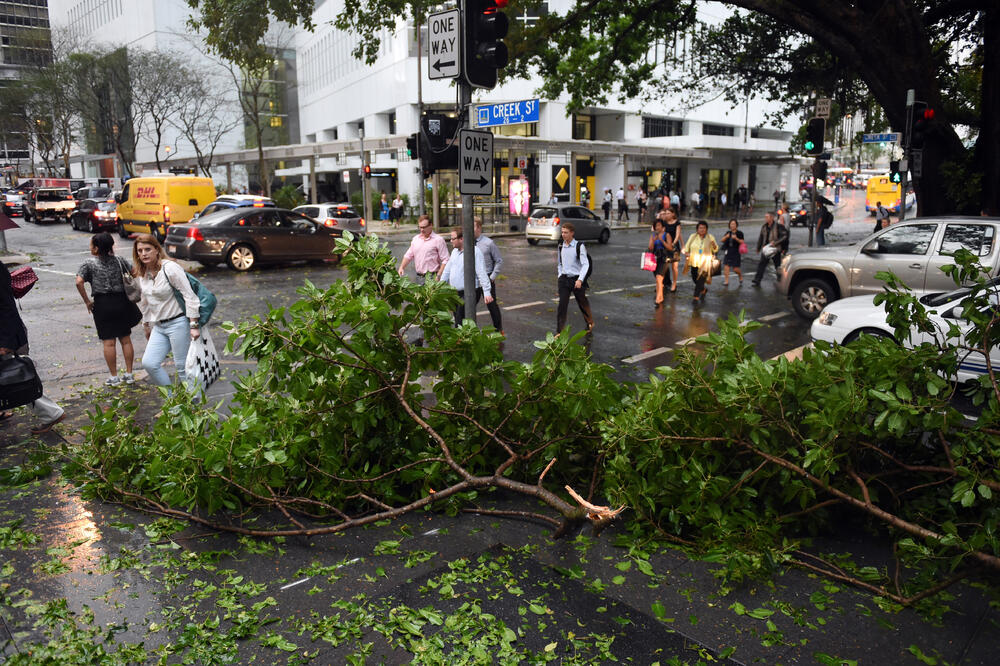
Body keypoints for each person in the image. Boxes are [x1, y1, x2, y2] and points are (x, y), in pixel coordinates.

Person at [0, 260, 65, 433]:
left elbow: (5, 305)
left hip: (3, 335)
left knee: (16, 378)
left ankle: (51, 413)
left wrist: (5, 342)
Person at [133, 234, 202, 386]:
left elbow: (189, 295)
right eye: (140, 251)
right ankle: (171, 397)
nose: (143, 254)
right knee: (149, 363)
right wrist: (146, 324)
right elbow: (145, 301)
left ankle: (195, 400)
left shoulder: (170, 268)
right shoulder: (144, 272)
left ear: (157, 250)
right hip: (159, 326)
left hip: (178, 323)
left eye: (147, 249)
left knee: (183, 367)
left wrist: (194, 325)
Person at [75, 232, 142, 386]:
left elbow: (79, 282)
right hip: (122, 302)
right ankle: (129, 374)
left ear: (96, 248)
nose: (90, 247)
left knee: (109, 342)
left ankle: (114, 377)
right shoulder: (119, 260)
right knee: (125, 340)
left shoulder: (88, 264)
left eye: (92, 245)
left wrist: (87, 301)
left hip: (102, 304)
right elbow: (135, 272)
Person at [440, 227, 493, 327]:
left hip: (469, 293)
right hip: (455, 293)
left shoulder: (474, 251)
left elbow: (481, 272)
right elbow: (447, 270)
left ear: (461, 239)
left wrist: (486, 292)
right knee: (459, 319)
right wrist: (440, 285)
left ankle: (463, 337)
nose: (451, 241)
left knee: (460, 321)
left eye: (453, 238)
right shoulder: (454, 252)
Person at [556, 222, 594, 333]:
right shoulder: (560, 245)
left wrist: (580, 280)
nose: (563, 235)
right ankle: (559, 331)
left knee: (582, 302)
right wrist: (560, 275)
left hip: (576, 279)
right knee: (562, 305)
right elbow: (559, 263)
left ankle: (590, 322)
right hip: (564, 279)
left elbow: (585, 264)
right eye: (562, 232)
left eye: (566, 233)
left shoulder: (579, 246)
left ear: (572, 233)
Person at [398, 215, 449, 284]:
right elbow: (408, 255)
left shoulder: (438, 240)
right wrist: (402, 267)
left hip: (432, 277)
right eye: (420, 227)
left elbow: (446, 259)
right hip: (418, 276)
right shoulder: (416, 239)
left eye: (424, 227)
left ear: (431, 225)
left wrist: (439, 275)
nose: (422, 230)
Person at [474, 217, 504, 334]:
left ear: (479, 228)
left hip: (487, 277)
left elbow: (499, 260)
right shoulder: (467, 242)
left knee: (492, 305)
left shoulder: (488, 243)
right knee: (469, 305)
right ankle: (469, 332)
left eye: (473, 226)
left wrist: (492, 277)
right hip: (473, 278)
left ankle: (498, 330)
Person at [682, 221, 718, 305]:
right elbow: (687, 247)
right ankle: (703, 289)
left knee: (701, 279)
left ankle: (696, 297)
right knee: (695, 278)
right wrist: (686, 253)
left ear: (706, 229)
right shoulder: (693, 236)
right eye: (700, 228)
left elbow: (715, 249)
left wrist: (714, 245)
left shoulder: (710, 237)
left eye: (704, 228)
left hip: (705, 262)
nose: (702, 230)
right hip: (694, 261)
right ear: (697, 229)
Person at [751, 212, 789, 287]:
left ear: (772, 218)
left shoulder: (778, 226)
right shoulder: (764, 227)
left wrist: (776, 243)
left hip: (775, 249)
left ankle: (781, 279)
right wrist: (758, 247)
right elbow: (761, 237)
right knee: (761, 264)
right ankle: (757, 280)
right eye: (765, 217)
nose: (765, 218)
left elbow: (785, 237)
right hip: (766, 249)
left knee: (777, 265)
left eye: (767, 217)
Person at [648, 214, 674, 306]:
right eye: (656, 226)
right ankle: (660, 295)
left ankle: (659, 297)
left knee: (659, 277)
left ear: (663, 227)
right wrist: (653, 240)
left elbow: (670, 248)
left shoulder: (667, 235)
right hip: (655, 258)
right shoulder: (653, 236)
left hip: (664, 258)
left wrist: (662, 241)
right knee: (658, 278)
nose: (657, 227)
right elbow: (650, 248)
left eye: (659, 225)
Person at [720, 218, 745, 286]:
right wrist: (726, 237)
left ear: (736, 225)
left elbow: (742, 242)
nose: (732, 225)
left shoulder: (739, 233)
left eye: (734, 224)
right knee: (726, 266)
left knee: (735, 269)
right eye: (731, 224)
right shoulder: (728, 233)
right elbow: (722, 240)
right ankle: (726, 281)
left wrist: (736, 238)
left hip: (736, 251)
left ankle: (740, 275)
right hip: (728, 251)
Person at [663, 208, 683, 292]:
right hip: (666, 246)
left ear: (673, 214)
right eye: (666, 213)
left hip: (674, 247)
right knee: (664, 266)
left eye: (668, 213)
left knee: (674, 267)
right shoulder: (664, 223)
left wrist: (674, 243)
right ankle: (663, 282)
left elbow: (678, 235)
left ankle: (674, 283)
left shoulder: (677, 223)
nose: (667, 215)